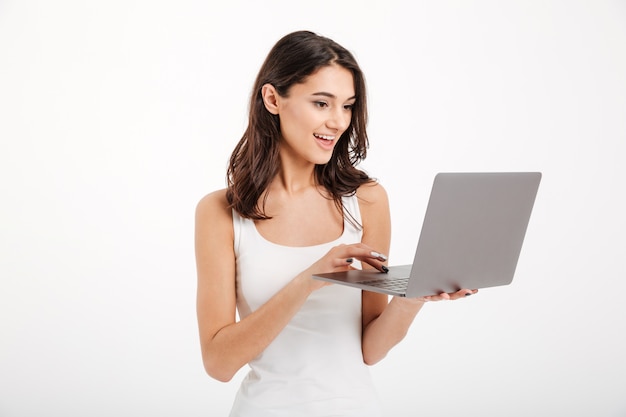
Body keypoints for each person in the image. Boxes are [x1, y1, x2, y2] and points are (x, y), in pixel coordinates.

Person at [195, 30, 477, 417]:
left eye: (347, 106)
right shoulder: (220, 212)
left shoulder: (367, 200)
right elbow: (218, 363)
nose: (338, 121)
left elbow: (370, 349)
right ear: (273, 99)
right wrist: (308, 280)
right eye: (321, 103)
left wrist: (413, 298)